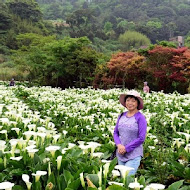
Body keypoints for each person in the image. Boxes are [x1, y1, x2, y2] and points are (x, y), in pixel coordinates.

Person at [113, 90, 147, 176]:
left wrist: (126, 148)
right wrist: (119, 145)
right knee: (122, 180)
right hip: (120, 154)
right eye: (128, 100)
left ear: (137, 103)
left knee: (127, 179)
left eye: (133, 100)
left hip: (133, 155)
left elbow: (141, 138)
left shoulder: (140, 118)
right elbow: (115, 133)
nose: (130, 103)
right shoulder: (121, 116)